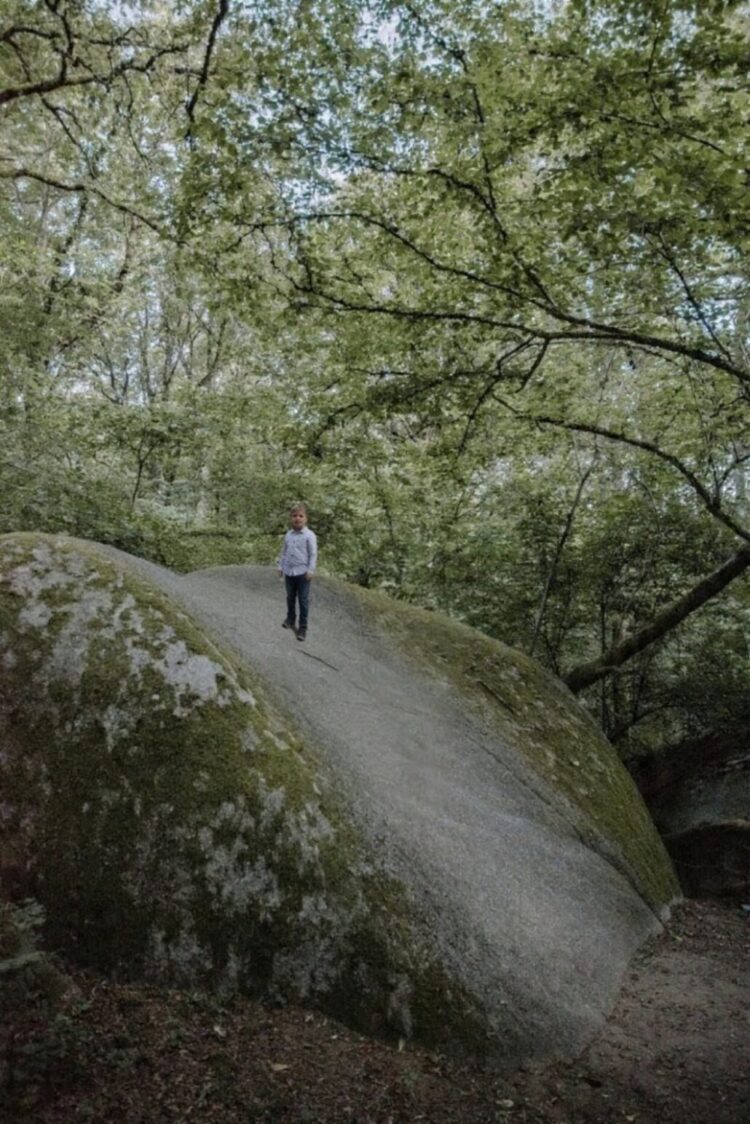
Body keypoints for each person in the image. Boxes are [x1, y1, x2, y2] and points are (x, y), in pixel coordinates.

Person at [277, 502, 317, 641]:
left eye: (301, 516)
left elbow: (313, 554)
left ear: (306, 519)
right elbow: (283, 552)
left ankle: (303, 627)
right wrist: (280, 567)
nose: (297, 518)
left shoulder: (309, 535)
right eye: (294, 516)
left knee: (303, 600)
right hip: (289, 572)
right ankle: (290, 618)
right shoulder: (288, 535)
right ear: (291, 518)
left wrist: (311, 570)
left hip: (303, 573)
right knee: (290, 597)